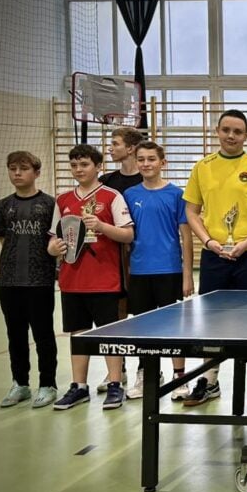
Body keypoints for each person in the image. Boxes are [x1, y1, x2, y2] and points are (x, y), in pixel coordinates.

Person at [182, 109, 247, 407]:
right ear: (217, 131)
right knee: (213, 320)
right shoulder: (202, 167)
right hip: (214, 255)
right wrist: (209, 241)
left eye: (238, 131)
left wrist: (246, 242)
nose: (231, 136)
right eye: (226, 130)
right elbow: (191, 211)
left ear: (246, 136)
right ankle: (209, 380)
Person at [47, 144, 135, 410]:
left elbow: (128, 235)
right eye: (74, 165)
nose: (78, 169)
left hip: (105, 280)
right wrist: (53, 249)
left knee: (111, 334)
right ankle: (79, 386)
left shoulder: (112, 196)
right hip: (72, 281)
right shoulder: (63, 200)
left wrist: (102, 226)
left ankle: (115, 384)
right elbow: (53, 239)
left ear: (98, 167)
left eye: (84, 164)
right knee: (78, 334)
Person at [122, 141, 194, 400]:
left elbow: (186, 237)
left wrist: (187, 275)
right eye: (141, 159)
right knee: (143, 328)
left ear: (163, 162)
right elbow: (125, 236)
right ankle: (148, 374)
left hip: (169, 270)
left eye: (151, 159)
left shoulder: (176, 194)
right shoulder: (129, 195)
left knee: (174, 327)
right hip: (140, 272)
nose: (146, 163)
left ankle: (179, 377)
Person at [0, 151, 59, 408]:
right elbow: (4, 240)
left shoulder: (50, 204)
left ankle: (48, 384)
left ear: (36, 172)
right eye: (13, 169)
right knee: (15, 335)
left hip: (40, 281)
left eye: (23, 168)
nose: (17, 173)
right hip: (9, 282)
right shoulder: (2, 206)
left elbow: (55, 240)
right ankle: (20, 383)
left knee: (43, 335)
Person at [96, 126, 144, 392]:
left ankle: (146, 369)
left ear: (131, 148)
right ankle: (118, 369)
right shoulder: (106, 181)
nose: (110, 148)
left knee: (144, 312)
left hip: (142, 255)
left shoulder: (146, 178)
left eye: (115, 143)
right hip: (112, 256)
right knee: (118, 312)